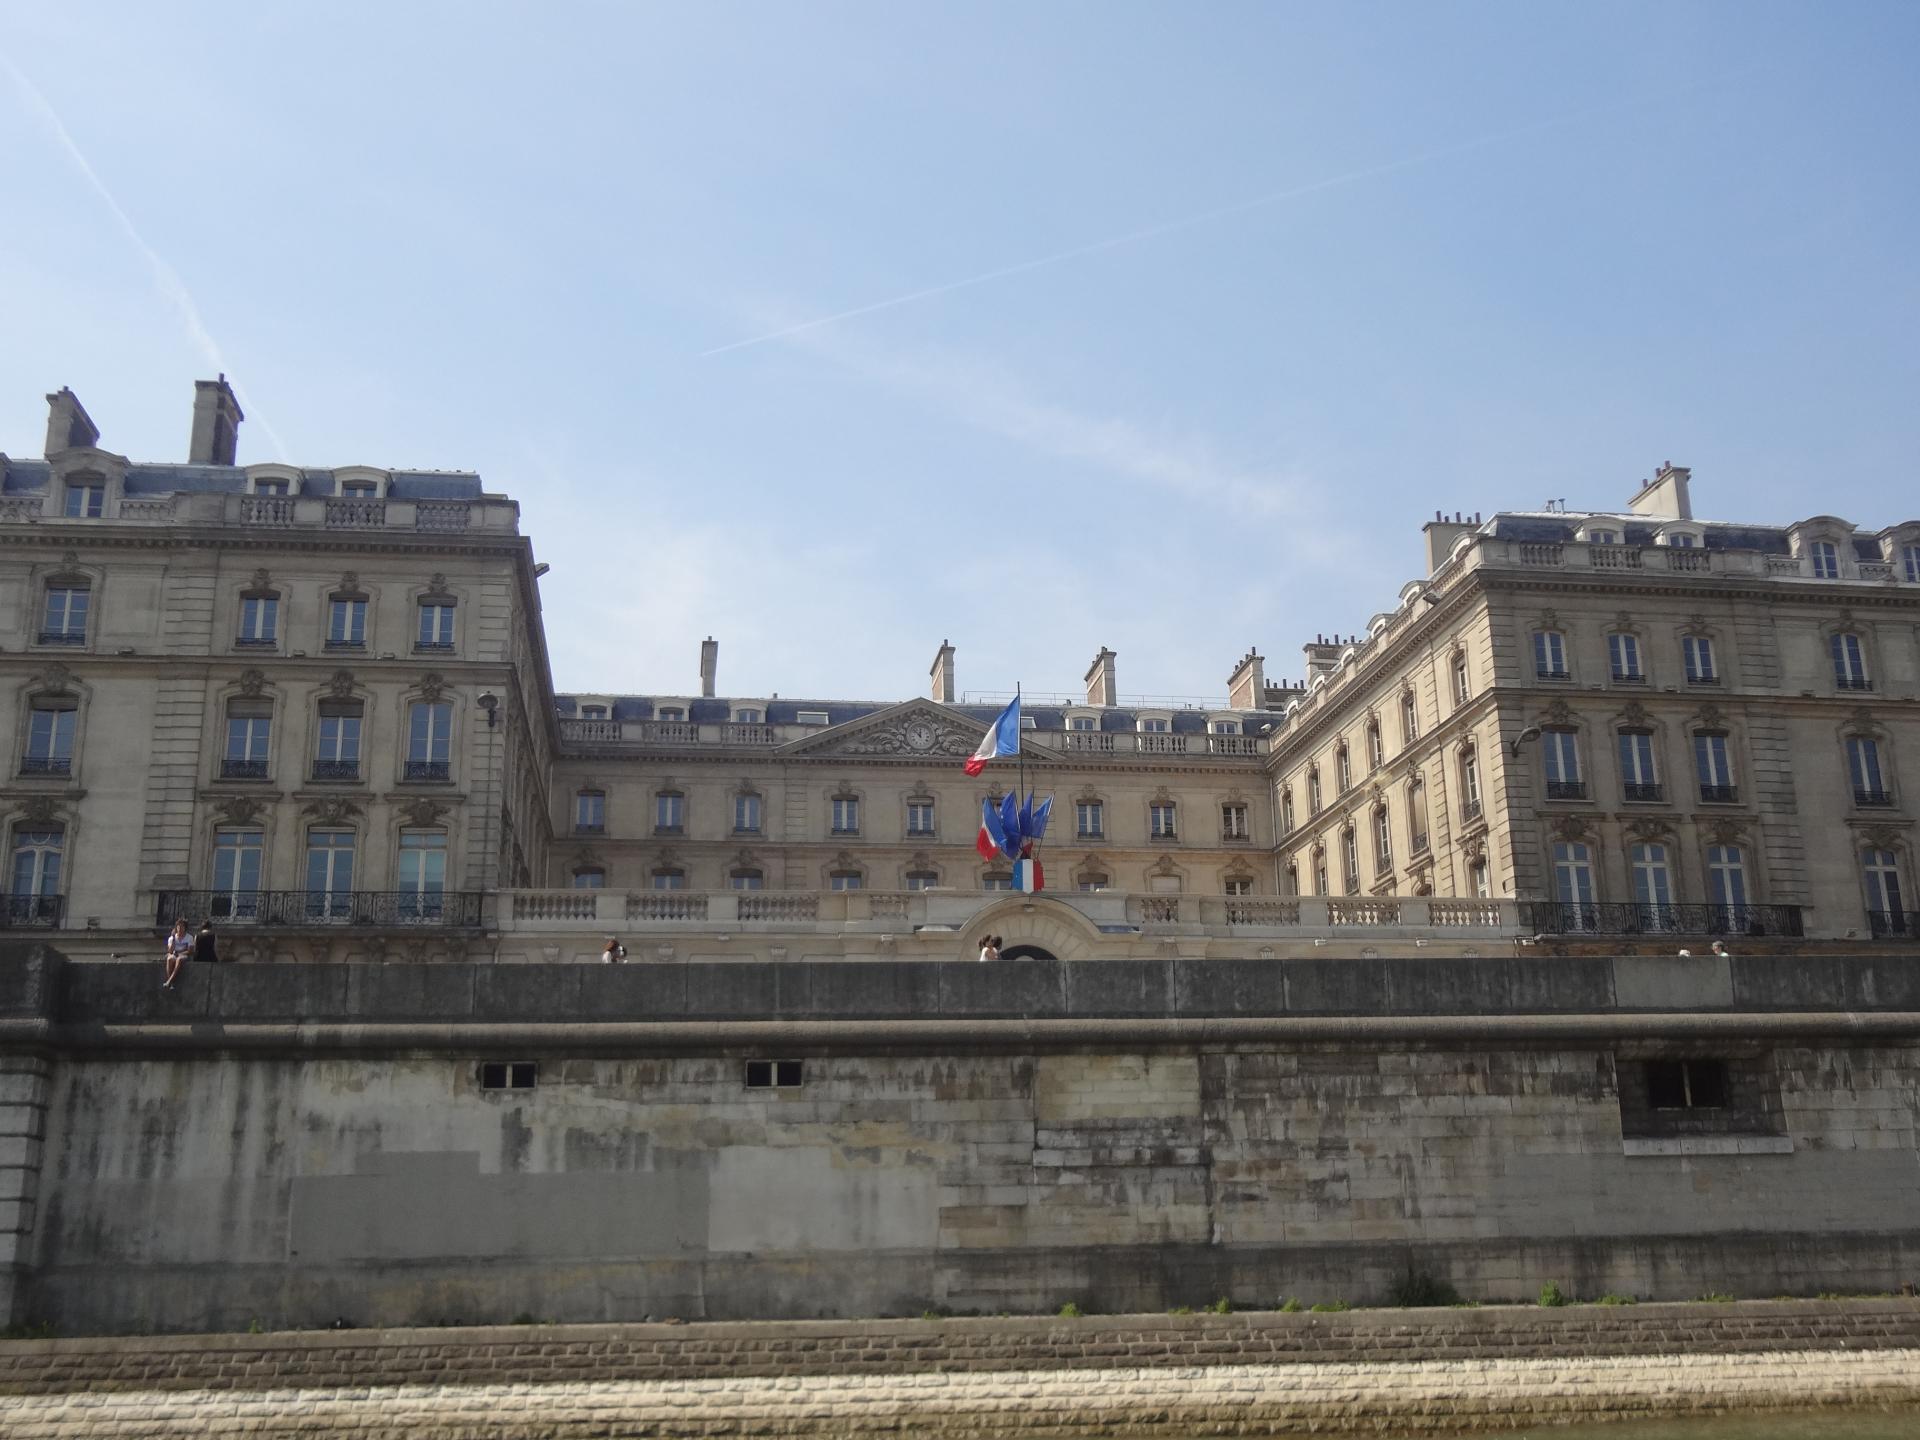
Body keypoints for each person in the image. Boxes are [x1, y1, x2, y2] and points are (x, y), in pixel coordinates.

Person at [163, 919, 193, 990]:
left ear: (185, 928)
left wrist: (179, 953)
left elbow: (190, 951)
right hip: (174, 954)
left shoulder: (189, 937)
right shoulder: (171, 938)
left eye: (182, 927)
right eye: (178, 927)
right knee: (170, 959)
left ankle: (169, 981)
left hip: (183, 954)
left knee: (179, 960)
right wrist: (173, 938)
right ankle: (170, 982)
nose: (180, 929)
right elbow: (170, 951)